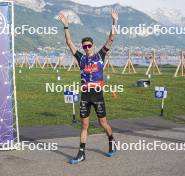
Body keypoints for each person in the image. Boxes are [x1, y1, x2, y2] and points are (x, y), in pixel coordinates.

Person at [58, 10, 119, 164]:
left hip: (98, 96)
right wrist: (66, 26)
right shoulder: (81, 58)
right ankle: (81, 153)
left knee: (102, 123)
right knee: (84, 125)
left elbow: (111, 39)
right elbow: (69, 43)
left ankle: (111, 140)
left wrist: (114, 22)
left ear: (93, 45)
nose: (86, 48)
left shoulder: (100, 56)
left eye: (89, 45)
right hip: (85, 96)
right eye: (84, 46)